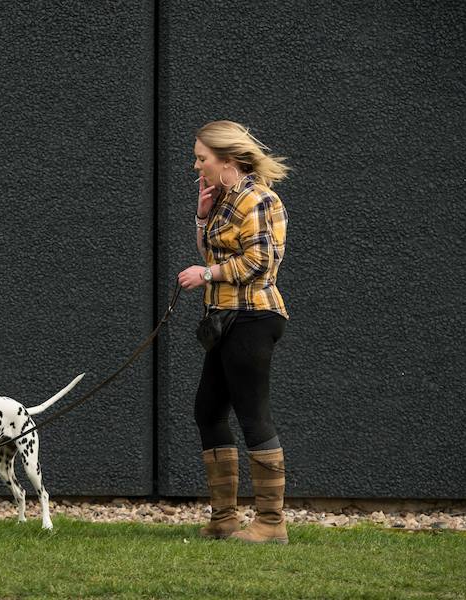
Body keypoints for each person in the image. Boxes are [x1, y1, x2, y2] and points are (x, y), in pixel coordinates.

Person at [177, 120, 291, 544]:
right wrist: (202, 215)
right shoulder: (225, 199)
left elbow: (259, 263)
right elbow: (213, 250)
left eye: (202, 159)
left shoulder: (259, 199)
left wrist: (206, 273)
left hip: (254, 317)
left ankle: (271, 523)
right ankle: (224, 518)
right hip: (226, 317)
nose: (196, 166)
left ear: (227, 160)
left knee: (252, 412)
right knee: (207, 411)